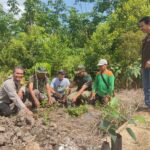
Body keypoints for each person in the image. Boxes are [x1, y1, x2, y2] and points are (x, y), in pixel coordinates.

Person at [139, 16, 150, 107]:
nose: (141, 28)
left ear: (149, 24)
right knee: (146, 87)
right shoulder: (146, 38)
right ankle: (148, 105)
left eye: (142, 26)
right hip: (145, 67)